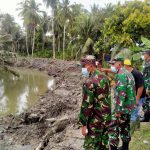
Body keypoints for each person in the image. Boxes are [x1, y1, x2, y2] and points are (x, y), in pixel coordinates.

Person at [79, 55, 111, 150]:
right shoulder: (104, 77)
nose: (83, 68)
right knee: (103, 145)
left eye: (84, 66)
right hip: (106, 118)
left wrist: (83, 124)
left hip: (95, 121)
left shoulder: (90, 82)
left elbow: (86, 105)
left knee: (91, 146)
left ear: (90, 65)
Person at [107, 58, 136, 150]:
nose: (111, 67)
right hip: (128, 107)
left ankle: (113, 148)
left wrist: (117, 110)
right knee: (125, 127)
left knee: (113, 129)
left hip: (121, 108)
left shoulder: (121, 75)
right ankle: (125, 147)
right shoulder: (128, 73)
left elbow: (121, 93)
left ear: (119, 64)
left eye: (113, 64)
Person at [124, 59, 146, 127]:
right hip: (133, 96)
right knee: (135, 112)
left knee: (134, 113)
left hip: (139, 96)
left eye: (123, 66)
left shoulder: (137, 73)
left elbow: (141, 87)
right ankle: (136, 127)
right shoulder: (128, 73)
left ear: (126, 66)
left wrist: (137, 99)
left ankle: (133, 128)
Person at [141, 50, 150, 122]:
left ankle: (146, 117)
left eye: (145, 54)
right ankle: (146, 117)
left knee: (147, 101)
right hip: (145, 85)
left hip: (148, 86)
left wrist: (148, 88)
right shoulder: (146, 63)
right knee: (146, 101)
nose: (144, 55)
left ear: (148, 55)